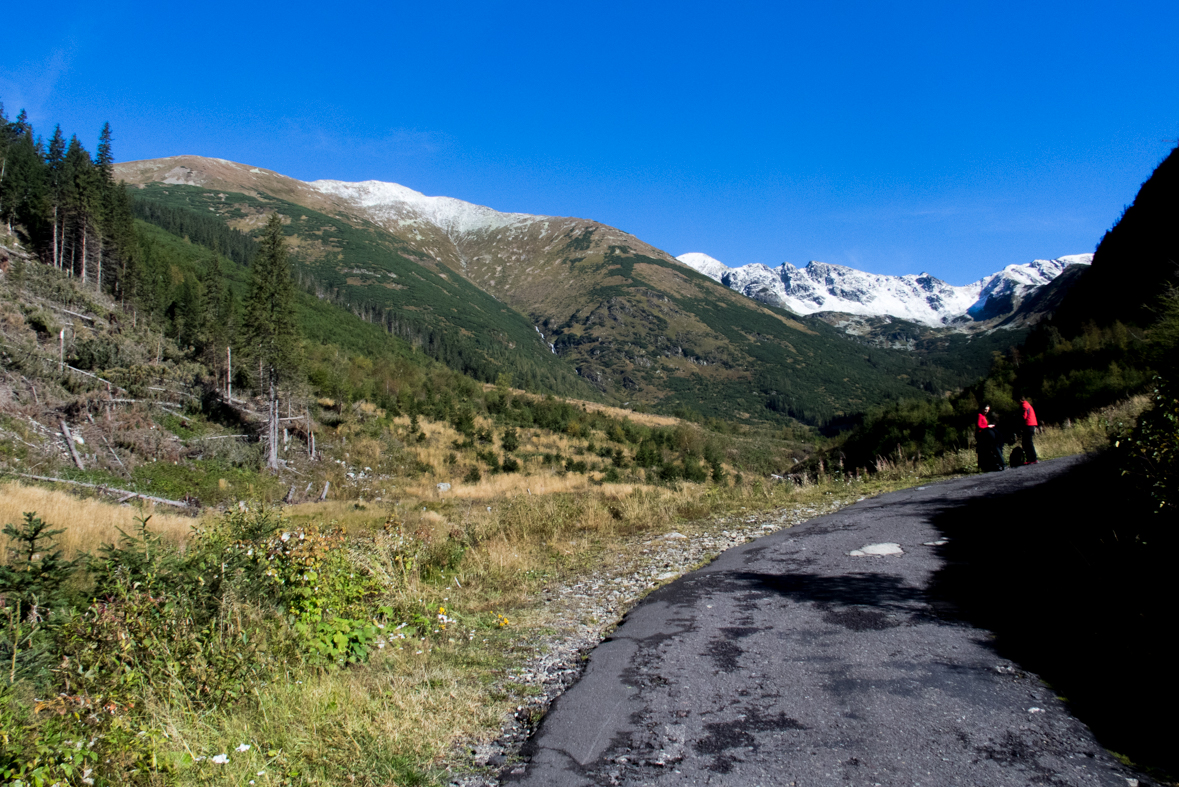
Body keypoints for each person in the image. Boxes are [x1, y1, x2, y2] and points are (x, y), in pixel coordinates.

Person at [976, 404, 1006, 472]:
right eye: (985, 409)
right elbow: (979, 425)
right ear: (982, 409)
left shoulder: (983, 416)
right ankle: (1000, 464)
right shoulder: (980, 415)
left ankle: (996, 464)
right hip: (983, 434)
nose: (986, 411)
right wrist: (987, 427)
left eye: (987, 410)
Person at [1020, 396, 1039, 464]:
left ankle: (1032, 459)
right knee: (1027, 442)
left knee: (1027, 442)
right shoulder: (1028, 404)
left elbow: (1024, 416)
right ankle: (1031, 458)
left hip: (1028, 425)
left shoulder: (1024, 405)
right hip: (1032, 425)